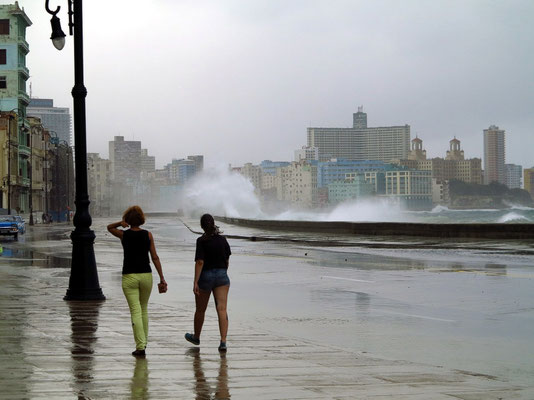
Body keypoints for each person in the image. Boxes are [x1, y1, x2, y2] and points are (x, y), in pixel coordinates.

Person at [107, 205, 166, 357]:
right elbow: (155, 257)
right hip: (146, 275)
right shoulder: (148, 235)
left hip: (129, 276)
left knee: (135, 310)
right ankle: (143, 342)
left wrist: (121, 223)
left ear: (128, 219)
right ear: (141, 219)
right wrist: (162, 278)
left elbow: (109, 227)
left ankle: (140, 346)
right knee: (144, 308)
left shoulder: (123, 235)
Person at [185, 214, 231, 352]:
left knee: (200, 309)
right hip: (222, 276)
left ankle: (196, 337)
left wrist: (195, 282)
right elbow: (227, 259)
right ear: (213, 224)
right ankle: (223, 342)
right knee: (222, 309)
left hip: (206, 276)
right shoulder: (223, 240)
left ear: (202, 226)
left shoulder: (201, 241)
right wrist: (222, 272)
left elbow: (200, 262)